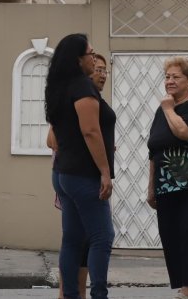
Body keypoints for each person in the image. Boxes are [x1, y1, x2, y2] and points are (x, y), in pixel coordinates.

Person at [47, 34, 115, 299]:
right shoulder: (82, 88)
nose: (94, 59)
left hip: (63, 173)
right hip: (83, 175)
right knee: (102, 236)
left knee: (73, 238)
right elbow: (90, 131)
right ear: (78, 59)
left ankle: (70, 295)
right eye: (91, 54)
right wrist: (105, 172)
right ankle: (99, 295)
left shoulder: (59, 87)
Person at [146, 57, 188, 299]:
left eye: (176, 77)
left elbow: (184, 132)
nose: (170, 81)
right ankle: (186, 290)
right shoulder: (161, 112)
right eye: (167, 77)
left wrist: (168, 108)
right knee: (171, 237)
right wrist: (151, 187)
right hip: (165, 186)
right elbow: (153, 150)